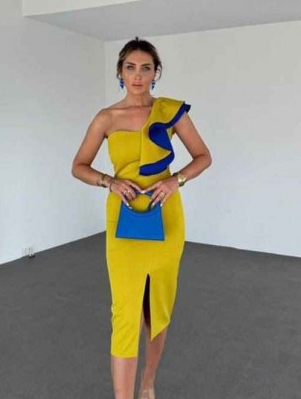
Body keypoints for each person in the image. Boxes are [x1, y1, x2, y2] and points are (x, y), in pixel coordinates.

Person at [71, 37, 212, 399]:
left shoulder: (170, 111)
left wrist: (175, 180)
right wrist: (109, 181)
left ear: (155, 73)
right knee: (124, 311)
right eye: (130, 67)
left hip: (166, 216)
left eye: (145, 68)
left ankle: (148, 383)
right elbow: (79, 166)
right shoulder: (106, 118)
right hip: (124, 218)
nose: (137, 75)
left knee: (156, 308)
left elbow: (203, 156)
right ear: (120, 72)